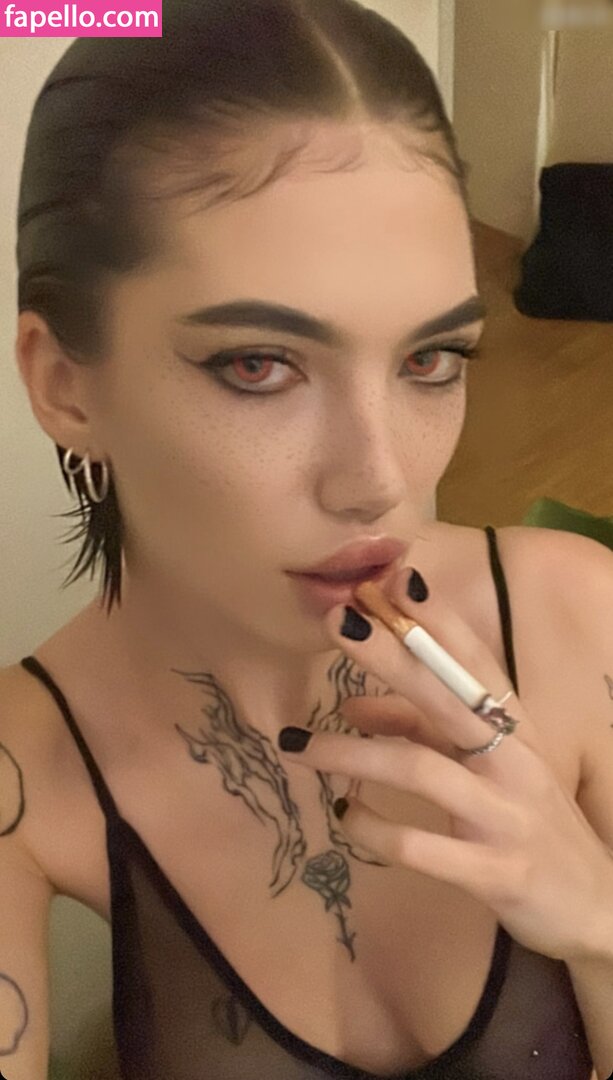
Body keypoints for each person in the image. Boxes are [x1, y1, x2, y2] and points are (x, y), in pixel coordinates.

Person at [3, 1, 612, 1078]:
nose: (380, 479)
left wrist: (600, 928)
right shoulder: (24, 761)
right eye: (259, 365)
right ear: (65, 385)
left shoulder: (575, 613)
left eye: (429, 360)